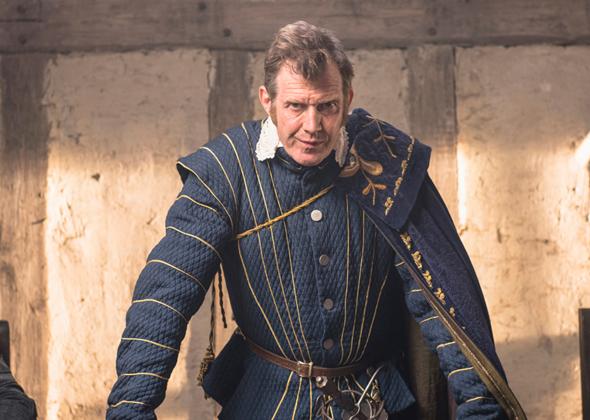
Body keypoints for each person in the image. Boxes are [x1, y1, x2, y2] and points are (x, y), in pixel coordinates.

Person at [107, 21, 526, 419]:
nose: (312, 126)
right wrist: (131, 409)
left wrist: (479, 405)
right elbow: (166, 295)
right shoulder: (223, 169)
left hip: (378, 403)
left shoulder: (387, 163)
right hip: (266, 404)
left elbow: (436, 302)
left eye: (327, 106)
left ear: (348, 98)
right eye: (296, 106)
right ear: (267, 100)